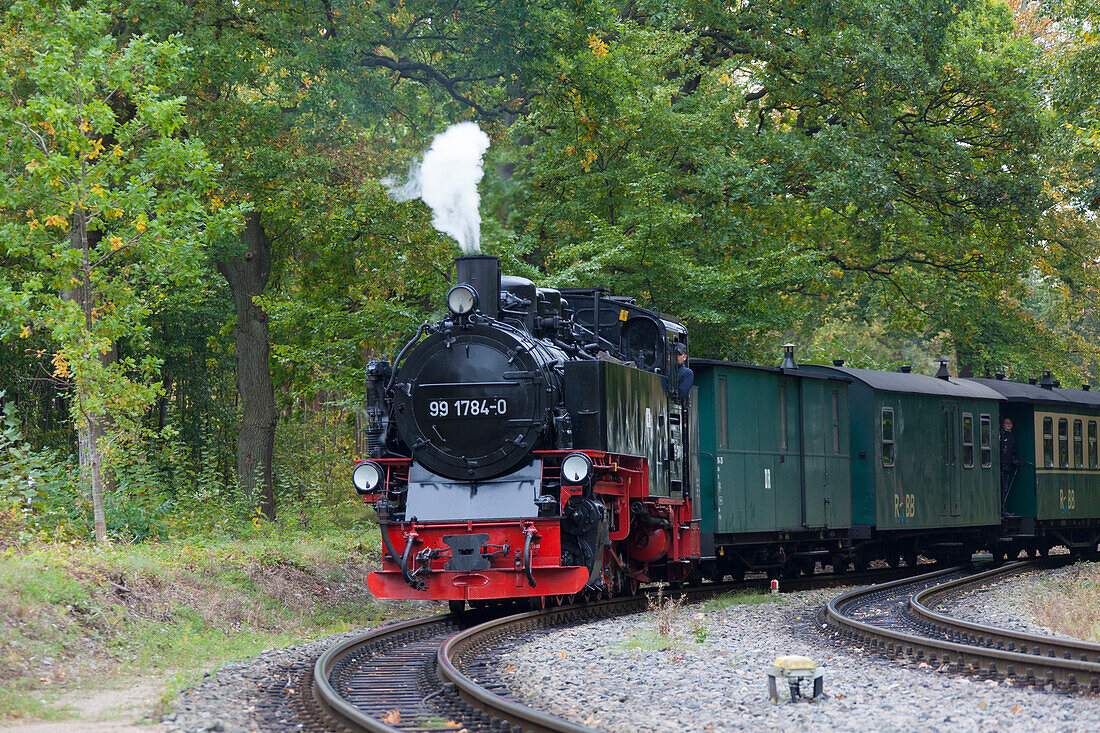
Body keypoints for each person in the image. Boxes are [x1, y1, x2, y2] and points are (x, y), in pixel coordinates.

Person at [1000, 417, 1020, 513]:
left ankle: (1004, 509)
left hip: (1007, 466)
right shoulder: (1001, 435)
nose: (1008, 425)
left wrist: (1014, 460)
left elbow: (1012, 452)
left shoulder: (1012, 437)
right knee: (1001, 488)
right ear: (1003, 424)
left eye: (1010, 423)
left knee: (1005, 489)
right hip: (1001, 466)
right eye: (1006, 423)